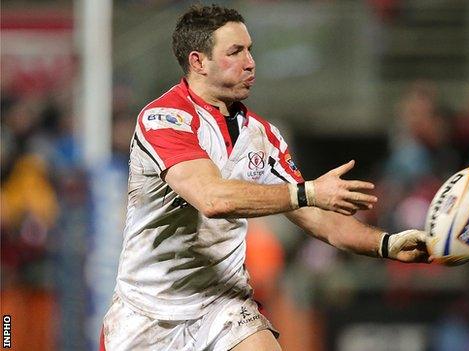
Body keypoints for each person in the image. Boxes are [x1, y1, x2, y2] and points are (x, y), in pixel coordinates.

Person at [101, 4, 429, 351]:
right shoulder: (164, 119)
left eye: (250, 50)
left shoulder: (262, 136)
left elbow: (318, 219)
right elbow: (213, 198)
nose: (250, 62)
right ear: (198, 62)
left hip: (222, 303)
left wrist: (386, 244)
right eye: (235, 52)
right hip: (148, 314)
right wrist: (308, 192)